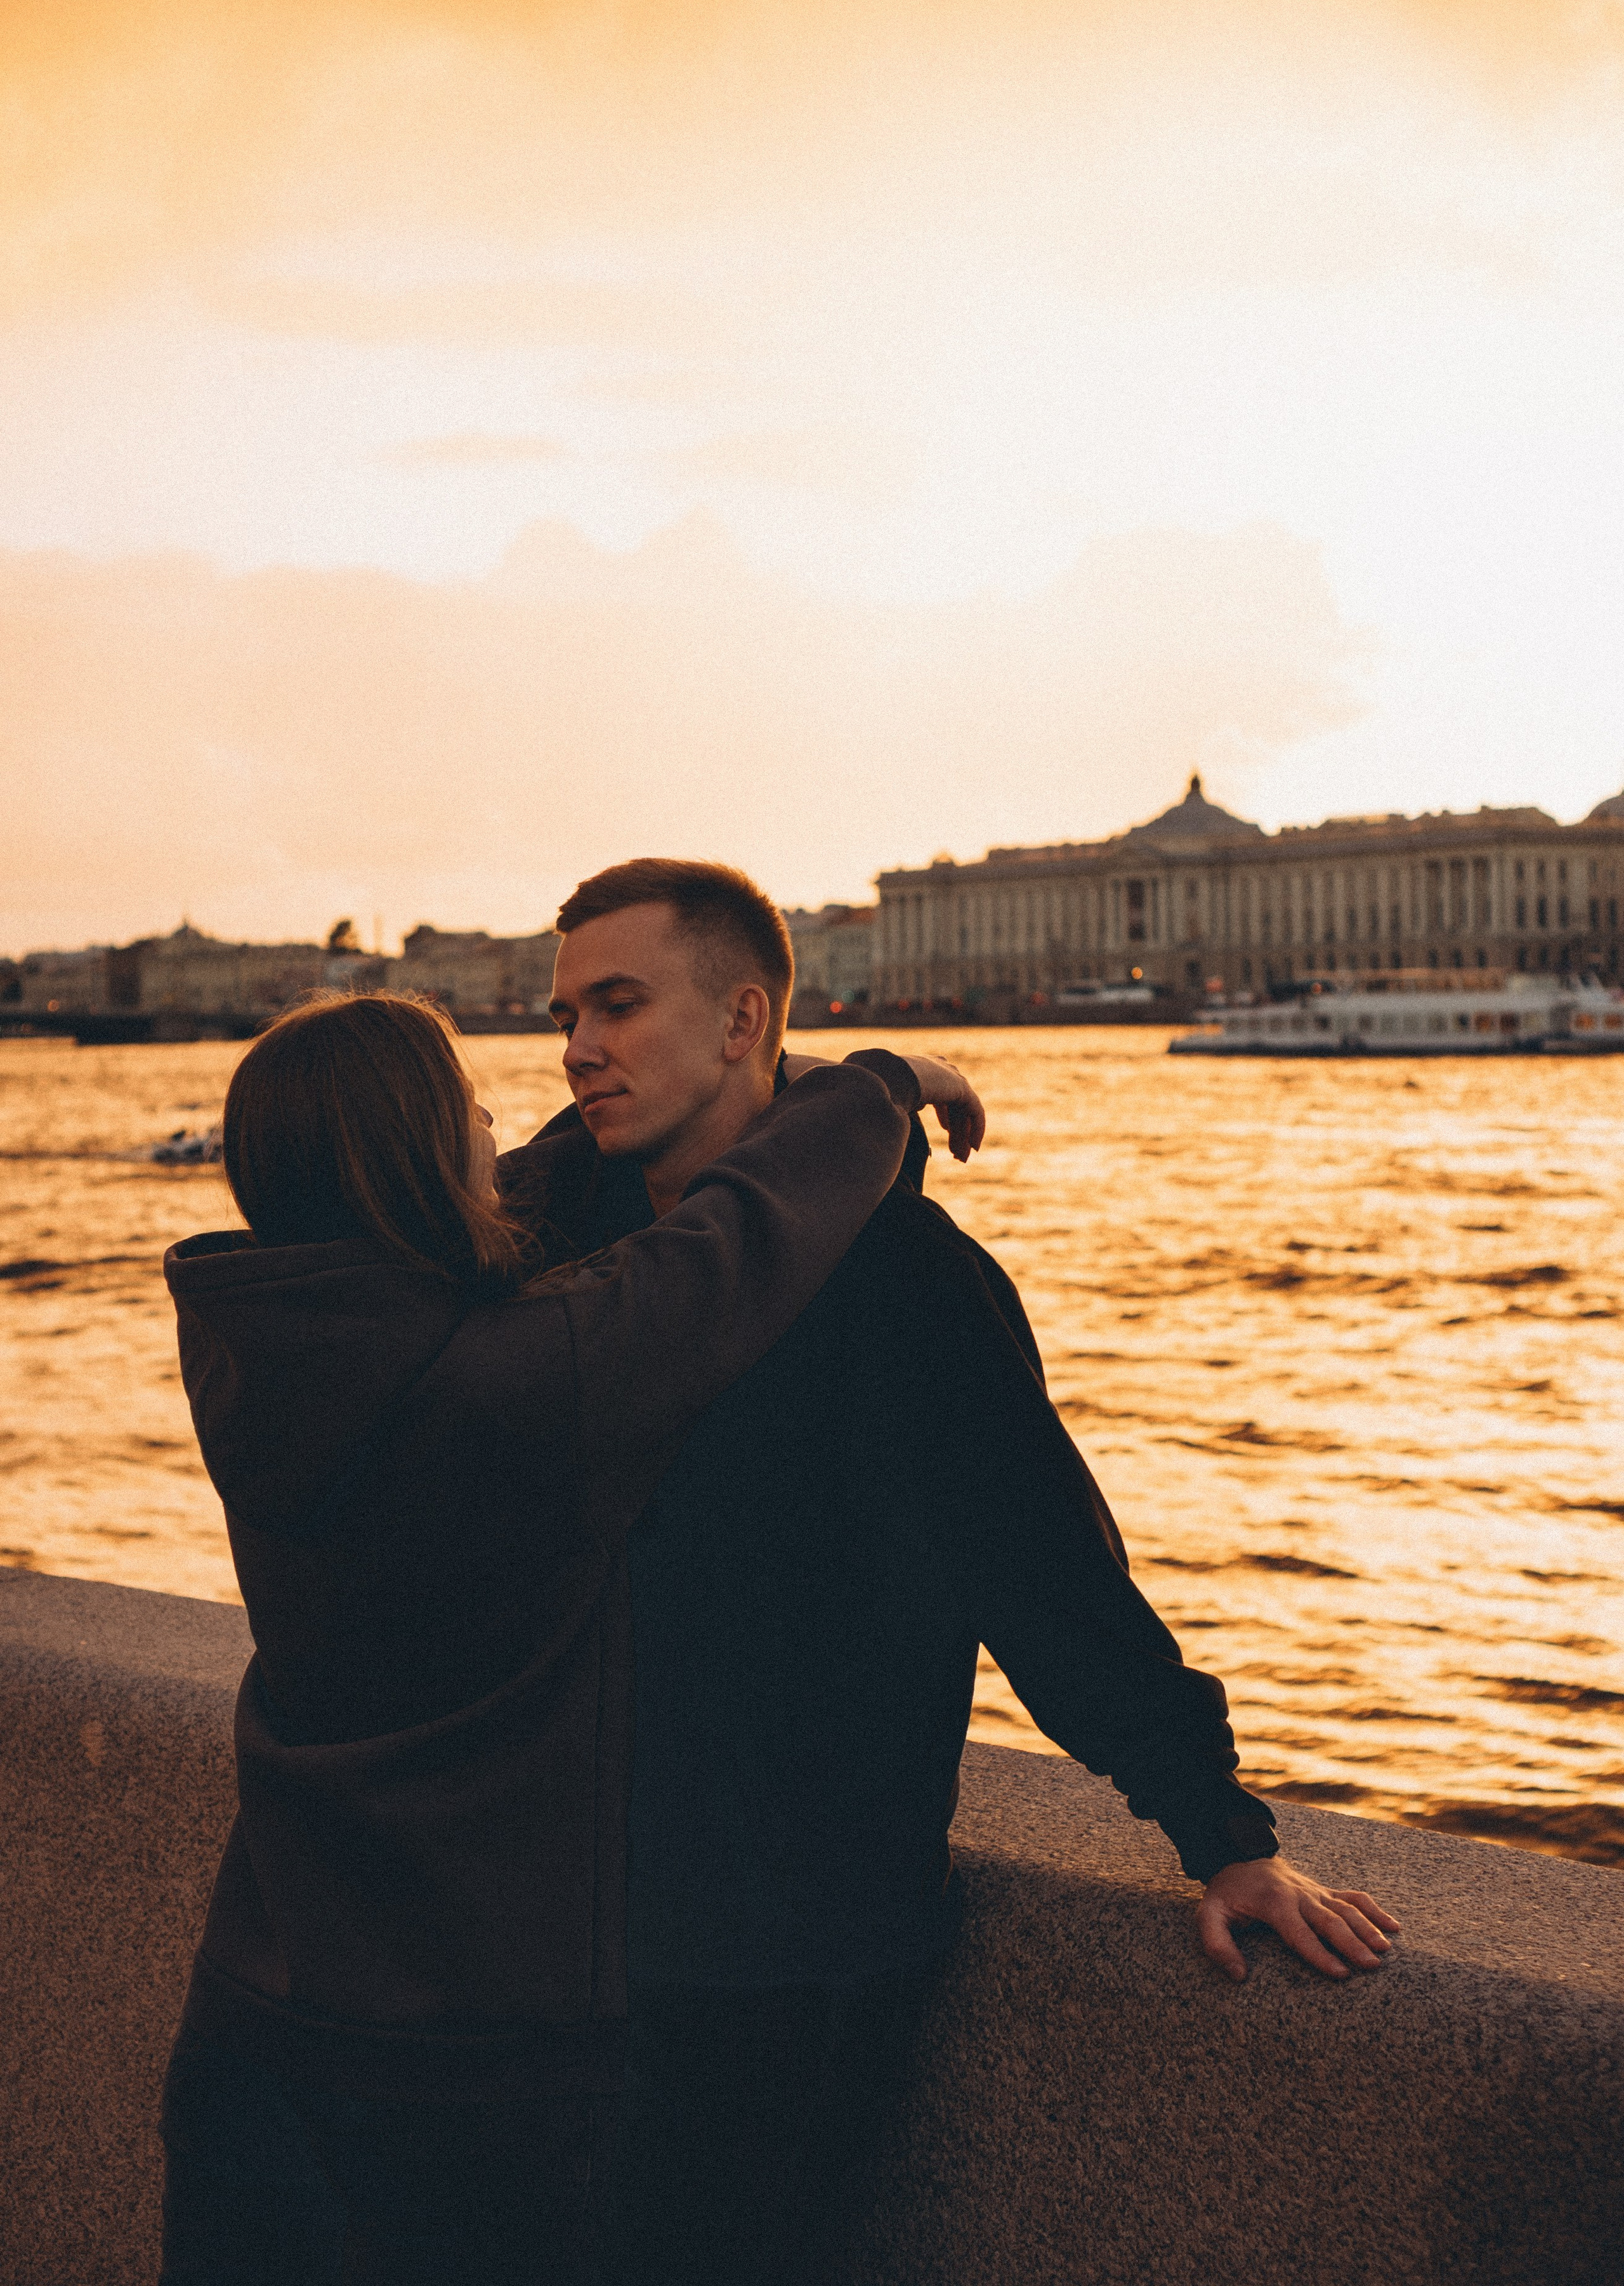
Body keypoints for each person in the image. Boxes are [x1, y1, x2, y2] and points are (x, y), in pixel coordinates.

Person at [501, 859, 1403, 2286]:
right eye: (565, 1016)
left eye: (618, 1005)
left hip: (792, 1948)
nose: (577, 1049)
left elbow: (1045, 1573)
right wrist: (879, 1080)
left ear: (742, 1023)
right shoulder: (556, 1249)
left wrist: (1221, 1833)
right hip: (562, 1923)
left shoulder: (906, 1281)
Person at [156, 987, 979, 2285]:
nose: (498, 1125)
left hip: (254, 2009)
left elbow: (520, 1186)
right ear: (421, 1155)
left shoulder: (250, 1344)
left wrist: (749, 1075)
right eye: (467, 1110)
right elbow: (739, 1236)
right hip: (458, 2063)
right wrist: (881, 1083)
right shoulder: (522, 1378)